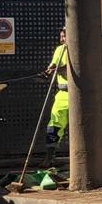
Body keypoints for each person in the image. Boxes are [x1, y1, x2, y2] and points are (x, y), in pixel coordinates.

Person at [44, 28, 69, 159]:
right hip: (63, 93)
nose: (62, 39)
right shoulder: (60, 49)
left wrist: (57, 69)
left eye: (64, 36)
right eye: (61, 36)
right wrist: (50, 69)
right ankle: (50, 156)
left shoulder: (79, 50)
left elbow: (70, 69)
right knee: (53, 125)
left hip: (78, 94)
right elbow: (54, 64)